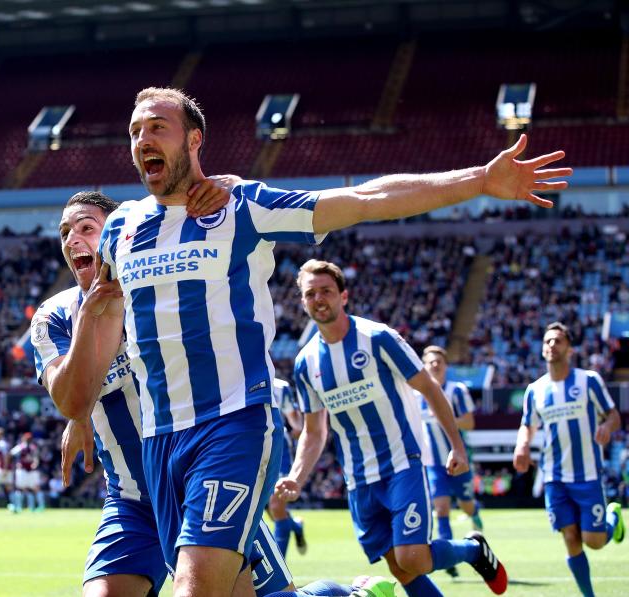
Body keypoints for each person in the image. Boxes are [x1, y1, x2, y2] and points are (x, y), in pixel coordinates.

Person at [82, 85, 567, 596]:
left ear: (194, 140)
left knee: (194, 589)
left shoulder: (241, 207)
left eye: (158, 127)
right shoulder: (121, 228)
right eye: (135, 131)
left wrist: (479, 179)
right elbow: (104, 320)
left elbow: (364, 199)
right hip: (160, 439)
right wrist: (79, 413)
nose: (142, 139)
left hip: (232, 423)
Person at [35, 188, 303, 596]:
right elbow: (70, 393)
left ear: (116, 234)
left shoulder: (164, 292)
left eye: (86, 227)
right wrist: (78, 413)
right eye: (64, 232)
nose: (73, 239)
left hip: (196, 487)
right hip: (132, 500)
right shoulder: (54, 316)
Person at [275, 259, 507, 597]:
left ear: (344, 295)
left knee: (412, 557)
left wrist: (456, 445)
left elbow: (430, 388)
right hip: (358, 477)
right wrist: (297, 475)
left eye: (326, 291)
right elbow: (314, 430)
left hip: (403, 462)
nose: (319, 299)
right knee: (400, 568)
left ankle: (473, 549)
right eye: (310, 294)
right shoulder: (305, 363)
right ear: (302, 302)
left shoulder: (378, 338)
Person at [512, 322, 624, 597]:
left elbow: (614, 416)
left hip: (587, 474)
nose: (552, 345)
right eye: (548, 341)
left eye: (558, 341)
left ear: (570, 349)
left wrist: (606, 428)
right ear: (542, 349)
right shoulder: (535, 390)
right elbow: (528, 424)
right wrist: (522, 446)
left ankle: (612, 518)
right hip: (554, 477)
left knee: (594, 541)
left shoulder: (589, 381)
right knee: (571, 538)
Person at [416, 345, 484, 577]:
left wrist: (446, 418)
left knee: (466, 504)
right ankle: (449, 559)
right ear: (424, 366)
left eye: (439, 362)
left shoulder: (456, 391)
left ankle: (474, 513)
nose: (435, 365)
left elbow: (469, 422)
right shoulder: (416, 395)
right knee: (441, 508)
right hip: (433, 463)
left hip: (459, 459)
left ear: (445, 366)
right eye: (430, 362)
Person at [268, 378, 307, 557]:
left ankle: (279, 567)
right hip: (250, 446)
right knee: (269, 510)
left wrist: (297, 430)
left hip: (278, 447)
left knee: (276, 505)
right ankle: (295, 526)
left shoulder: (279, 387)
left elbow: (297, 424)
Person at [10, 432, 43, 513]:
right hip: (28, 471)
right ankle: (36, 507)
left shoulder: (23, 447)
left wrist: (17, 463)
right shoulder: (31, 447)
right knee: (31, 489)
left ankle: (19, 507)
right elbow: (36, 458)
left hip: (24, 471)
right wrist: (35, 463)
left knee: (22, 489)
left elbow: (11, 453)